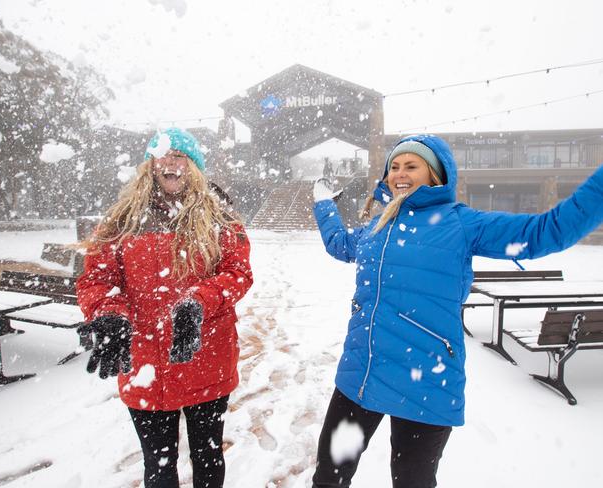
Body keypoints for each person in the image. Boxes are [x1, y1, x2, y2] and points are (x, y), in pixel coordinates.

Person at [310, 134, 603, 488]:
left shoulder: (462, 224)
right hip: (360, 375)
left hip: (426, 383)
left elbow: (546, 232)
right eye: (394, 167)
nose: (399, 174)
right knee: (328, 479)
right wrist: (323, 204)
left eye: (411, 166)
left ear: (435, 175)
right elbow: (340, 245)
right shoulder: (378, 226)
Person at [75, 127, 253, 488]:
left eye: (180, 157)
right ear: (150, 165)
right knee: (158, 465)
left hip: (206, 355)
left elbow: (238, 273)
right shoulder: (121, 221)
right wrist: (107, 313)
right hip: (144, 363)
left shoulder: (220, 217)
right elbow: (97, 280)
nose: (170, 164)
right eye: (163, 156)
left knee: (207, 457)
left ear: (195, 167)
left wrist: (198, 302)